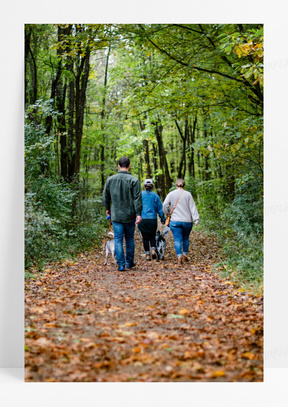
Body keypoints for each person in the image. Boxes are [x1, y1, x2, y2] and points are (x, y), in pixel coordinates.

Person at [102, 157, 142, 271]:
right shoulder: (134, 180)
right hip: (130, 215)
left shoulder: (110, 180)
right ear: (129, 166)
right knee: (129, 239)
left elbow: (105, 196)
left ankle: (120, 264)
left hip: (116, 215)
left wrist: (107, 208)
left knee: (118, 239)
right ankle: (129, 262)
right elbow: (137, 199)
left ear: (118, 166)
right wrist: (138, 213)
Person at [163, 178, 199, 264]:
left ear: (176, 185)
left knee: (177, 239)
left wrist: (167, 213)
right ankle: (185, 255)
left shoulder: (171, 194)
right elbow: (192, 207)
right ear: (184, 185)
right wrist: (196, 219)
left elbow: (164, 205)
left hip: (175, 221)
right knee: (186, 238)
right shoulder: (188, 194)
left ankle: (179, 256)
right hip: (187, 221)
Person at [138, 179, 166, 261]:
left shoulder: (140, 195)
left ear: (144, 186)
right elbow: (160, 209)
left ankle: (147, 254)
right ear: (152, 186)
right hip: (152, 219)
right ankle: (153, 249)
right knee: (152, 236)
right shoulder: (155, 196)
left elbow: (136, 206)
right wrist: (162, 218)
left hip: (143, 219)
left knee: (145, 238)